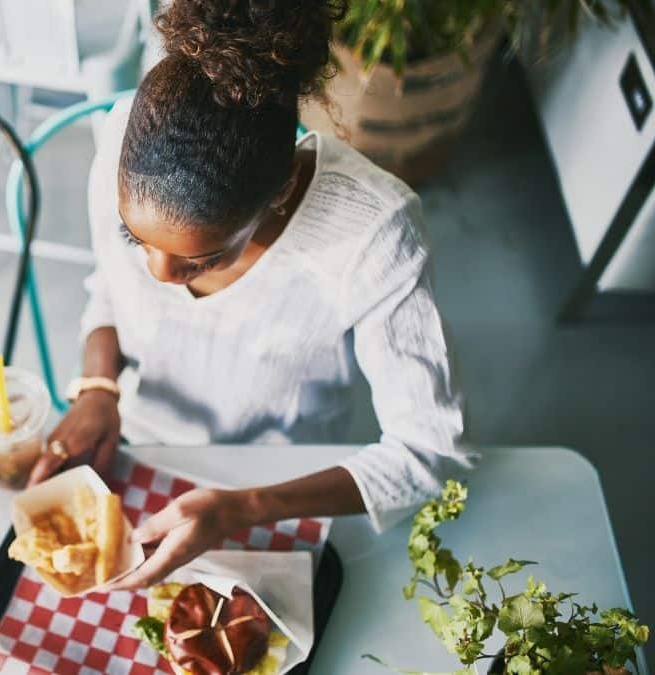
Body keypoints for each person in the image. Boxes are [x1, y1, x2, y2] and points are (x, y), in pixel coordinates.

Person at [29, 0, 474, 589]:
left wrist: (242, 507)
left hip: (285, 475)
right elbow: (107, 288)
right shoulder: (120, 144)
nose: (158, 275)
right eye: (132, 238)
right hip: (140, 444)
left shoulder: (373, 234)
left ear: (284, 188)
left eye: (202, 259)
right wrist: (98, 388)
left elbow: (428, 453)